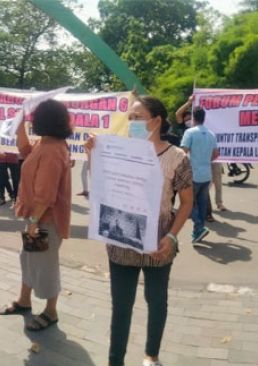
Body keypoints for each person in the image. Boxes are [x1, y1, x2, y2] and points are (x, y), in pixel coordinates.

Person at [86, 96, 193, 366]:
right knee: (121, 306)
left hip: (159, 243)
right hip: (121, 240)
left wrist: (171, 236)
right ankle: (115, 361)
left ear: (156, 121)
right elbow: (103, 185)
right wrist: (93, 153)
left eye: (137, 117)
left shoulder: (176, 157)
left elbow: (187, 202)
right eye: (130, 118)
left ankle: (151, 355)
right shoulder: (119, 150)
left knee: (156, 302)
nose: (131, 122)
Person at [0, 100, 72, 332]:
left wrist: (33, 222)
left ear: (44, 120)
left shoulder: (52, 150)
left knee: (46, 265)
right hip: (36, 217)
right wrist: (18, 123)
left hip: (44, 220)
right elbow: (24, 151)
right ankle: (24, 301)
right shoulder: (46, 143)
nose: (31, 120)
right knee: (28, 259)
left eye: (33, 117)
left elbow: (46, 195)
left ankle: (51, 312)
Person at [181, 106, 218, 244]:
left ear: (193, 117)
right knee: (202, 204)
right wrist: (204, 160)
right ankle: (198, 231)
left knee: (188, 203)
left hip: (193, 173)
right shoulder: (211, 134)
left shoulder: (189, 132)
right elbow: (215, 155)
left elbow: (182, 152)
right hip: (206, 174)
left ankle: (199, 227)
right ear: (204, 118)